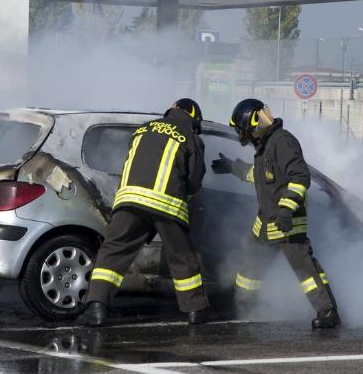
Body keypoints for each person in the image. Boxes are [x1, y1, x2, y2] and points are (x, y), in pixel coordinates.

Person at [77, 98, 211, 326]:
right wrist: (187, 198)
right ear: (193, 117)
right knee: (181, 256)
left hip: (130, 200)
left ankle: (96, 308)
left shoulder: (143, 129)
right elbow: (195, 178)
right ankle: (195, 310)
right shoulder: (190, 136)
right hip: (167, 203)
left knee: (112, 251)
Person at [212, 99, 340, 329]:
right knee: (251, 266)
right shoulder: (265, 145)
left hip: (287, 222)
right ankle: (241, 303)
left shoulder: (283, 142)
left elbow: (300, 177)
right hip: (265, 223)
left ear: (252, 124)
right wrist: (233, 167)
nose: (243, 136)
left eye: (242, 130)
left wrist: (285, 210)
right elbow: (261, 176)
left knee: (305, 269)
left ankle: (328, 311)